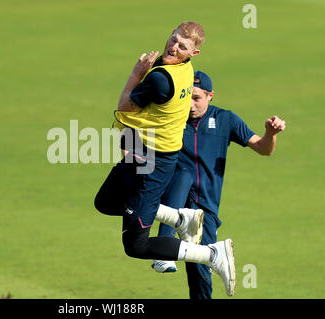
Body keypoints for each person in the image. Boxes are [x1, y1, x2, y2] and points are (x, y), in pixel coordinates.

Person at [94, 22, 236, 296]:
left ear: (193, 53)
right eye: (173, 39)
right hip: (143, 151)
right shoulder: (184, 69)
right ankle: (180, 219)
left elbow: (124, 105)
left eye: (181, 46)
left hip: (153, 165)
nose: (173, 47)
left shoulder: (161, 79)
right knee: (106, 201)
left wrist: (136, 73)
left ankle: (211, 254)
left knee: (136, 246)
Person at [151, 71, 286, 299]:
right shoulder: (172, 117)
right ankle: (164, 248)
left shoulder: (225, 119)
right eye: (187, 97)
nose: (191, 105)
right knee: (181, 176)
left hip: (206, 209)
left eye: (197, 98)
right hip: (174, 197)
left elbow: (264, 149)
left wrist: (270, 134)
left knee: (200, 271)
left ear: (210, 96)